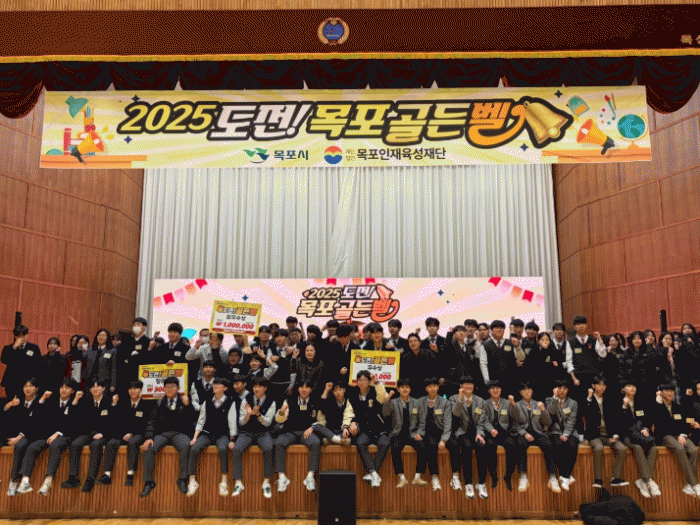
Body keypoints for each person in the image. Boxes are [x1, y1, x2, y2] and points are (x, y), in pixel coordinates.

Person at [140, 376, 194, 497]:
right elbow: (151, 422)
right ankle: (149, 482)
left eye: (172, 387)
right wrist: (148, 438)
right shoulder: (159, 402)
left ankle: (182, 479)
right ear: (163, 389)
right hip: (162, 434)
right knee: (149, 447)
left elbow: (192, 420)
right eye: (167, 387)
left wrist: (188, 406)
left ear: (178, 388)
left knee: (186, 445)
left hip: (179, 433)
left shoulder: (184, 401)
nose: (169, 389)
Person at [60, 379, 115, 493]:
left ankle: (90, 479)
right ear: (89, 390)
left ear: (103, 388)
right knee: (75, 444)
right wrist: (75, 400)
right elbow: (76, 418)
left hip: (104, 434)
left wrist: (102, 433)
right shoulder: (85, 402)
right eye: (93, 387)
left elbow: (113, 422)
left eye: (98, 386)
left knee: (95, 445)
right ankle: (73, 478)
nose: (95, 389)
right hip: (88, 433)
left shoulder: (109, 402)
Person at [187, 377, 237, 497]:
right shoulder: (207, 401)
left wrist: (232, 439)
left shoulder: (231, 402)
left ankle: (224, 482)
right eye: (214, 384)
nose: (215, 386)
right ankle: (192, 482)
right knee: (194, 449)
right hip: (207, 433)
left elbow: (232, 422)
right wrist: (195, 437)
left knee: (223, 449)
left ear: (225, 388)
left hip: (222, 434)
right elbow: (201, 421)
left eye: (218, 385)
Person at [100, 380, 152, 487]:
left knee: (133, 442)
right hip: (122, 434)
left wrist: (131, 433)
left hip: (138, 434)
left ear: (140, 390)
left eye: (135, 388)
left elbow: (145, 424)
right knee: (111, 443)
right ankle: (107, 474)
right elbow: (115, 421)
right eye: (130, 389)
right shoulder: (123, 403)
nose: (132, 391)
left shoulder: (147, 405)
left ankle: (130, 473)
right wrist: (114, 404)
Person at [652, 382, 700, 497]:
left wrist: (683, 434)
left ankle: (688, 484)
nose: (670, 393)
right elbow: (656, 420)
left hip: (679, 435)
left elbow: (685, 422)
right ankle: (694, 484)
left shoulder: (678, 406)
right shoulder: (656, 406)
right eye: (667, 391)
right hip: (665, 436)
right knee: (680, 449)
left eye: (672, 391)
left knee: (693, 450)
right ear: (661, 392)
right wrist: (658, 402)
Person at [274, 381, 323, 492]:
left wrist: (313, 427)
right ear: (298, 389)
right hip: (290, 431)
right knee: (278, 443)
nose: (304, 389)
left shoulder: (316, 401)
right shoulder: (289, 400)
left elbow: (321, 421)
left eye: (307, 387)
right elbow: (279, 420)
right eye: (301, 387)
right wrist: (281, 412)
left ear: (311, 390)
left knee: (316, 443)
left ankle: (310, 477)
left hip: (306, 432)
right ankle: (282, 477)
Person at [232, 377, 277, 498]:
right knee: (236, 449)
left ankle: (266, 482)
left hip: (263, 432)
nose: (256, 389)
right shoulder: (246, 400)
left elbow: (268, 423)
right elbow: (241, 422)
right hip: (247, 432)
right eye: (255, 386)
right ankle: (238, 483)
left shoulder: (271, 401)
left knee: (269, 448)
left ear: (265, 388)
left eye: (259, 386)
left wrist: (258, 415)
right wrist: (247, 415)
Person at [475, 379, 521, 493]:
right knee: (489, 446)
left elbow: (516, 417)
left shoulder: (507, 402)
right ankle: (494, 475)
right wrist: (491, 429)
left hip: (504, 432)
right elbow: (484, 420)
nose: (495, 390)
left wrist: (513, 404)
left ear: (501, 390)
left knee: (512, 445)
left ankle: (508, 476)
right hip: (490, 432)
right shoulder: (485, 403)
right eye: (493, 388)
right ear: (489, 391)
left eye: (497, 388)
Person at [515, 381, 560, 493]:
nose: (526, 392)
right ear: (520, 392)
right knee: (520, 443)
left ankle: (552, 478)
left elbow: (548, 422)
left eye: (528, 389)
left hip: (537, 432)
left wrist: (544, 410)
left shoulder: (538, 404)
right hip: (523, 433)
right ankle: (523, 477)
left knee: (548, 444)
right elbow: (514, 424)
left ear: (532, 391)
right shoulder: (516, 405)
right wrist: (524, 433)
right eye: (524, 389)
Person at [347, 370, 389, 487]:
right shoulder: (353, 395)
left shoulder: (375, 391)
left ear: (369, 382)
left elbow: (383, 398)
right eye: (360, 380)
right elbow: (349, 412)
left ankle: (371, 472)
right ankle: (374, 473)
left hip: (378, 428)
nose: (362, 382)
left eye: (365, 380)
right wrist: (351, 423)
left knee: (385, 443)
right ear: (357, 382)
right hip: (365, 429)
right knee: (360, 442)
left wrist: (377, 383)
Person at [584, 375, 627, 489]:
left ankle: (615, 478)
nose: (602, 387)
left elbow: (615, 418)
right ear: (593, 386)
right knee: (598, 448)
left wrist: (615, 435)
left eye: (603, 385)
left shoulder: (609, 399)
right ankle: (598, 479)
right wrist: (589, 398)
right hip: (594, 435)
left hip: (608, 434)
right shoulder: (588, 399)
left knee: (622, 448)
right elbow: (585, 414)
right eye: (599, 384)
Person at [619, 379, 660, 498]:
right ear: (623, 389)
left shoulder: (640, 402)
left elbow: (647, 418)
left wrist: (645, 428)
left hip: (640, 434)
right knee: (637, 447)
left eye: (634, 386)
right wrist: (624, 406)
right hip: (626, 435)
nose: (632, 388)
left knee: (654, 448)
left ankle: (644, 480)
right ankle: (649, 481)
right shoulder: (617, 402)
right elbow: (618, 421)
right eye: (629, 386)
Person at [4, 378, 44, 496]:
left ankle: (13, 482)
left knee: (20, 446)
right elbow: (5, 416)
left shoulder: (40, 403)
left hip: (32, 435)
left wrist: (18, 437)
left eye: (31, 386)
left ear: (36, 388)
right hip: (16, 433)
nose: (27, 388)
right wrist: (10, 405)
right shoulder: (18, 401)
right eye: (25, 386)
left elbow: (33, 425)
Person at [383, 378, 426, 488]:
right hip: (398, 433)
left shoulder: (417, 403)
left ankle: (417, 477)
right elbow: (385, 413)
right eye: (402, 387)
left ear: (410, 389)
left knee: (422, 446)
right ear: (398, 389)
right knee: (395, 448)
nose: (405, 389)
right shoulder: (393, 402)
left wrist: (419, 433)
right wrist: (387, 399)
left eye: (407, 387)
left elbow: (422, 422)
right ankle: (402, 478)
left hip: (413, 433)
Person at [568, 316, 607, 434]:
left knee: (593, 404)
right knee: (579, 405)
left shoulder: (593, 340)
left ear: (586, 325)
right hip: (578, 379)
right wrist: (574, 378)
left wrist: (599, 339)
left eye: (583, 324)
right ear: (574, 327)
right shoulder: (570, 342)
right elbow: (569, 362)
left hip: (592, 378)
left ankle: (594, 431)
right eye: (578, 324)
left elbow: (603, 354)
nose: (581, 326)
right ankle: (580, 432)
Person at [451, 376, 486, 499]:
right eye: (465, 384)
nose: (468, 386)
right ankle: (468, 484)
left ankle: (481, 483)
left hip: (476, 432)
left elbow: (482, 420)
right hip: (462, 432)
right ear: (461, 386)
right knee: (466, 449)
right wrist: (460, 399)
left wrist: (479, 433)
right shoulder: (453, 398)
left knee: (482, 447)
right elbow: (456, 413)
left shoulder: (480, 401)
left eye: (471, 384)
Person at [417, 377, 454, 491]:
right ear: (426, 388)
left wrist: (443, 439)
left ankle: (455, 476)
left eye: (434, 386)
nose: (432, 388)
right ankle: (434, 477)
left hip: (441, 431)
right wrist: (418, 433)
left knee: (455, 444)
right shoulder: (420, 402)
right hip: (427, 433)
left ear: (438, 387)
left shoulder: (445, 402)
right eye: (429, 386)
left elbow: (448, 423)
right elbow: (415, 421)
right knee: (431, 445)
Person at [545, 379, 579, 491]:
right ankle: (567, 476)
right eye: (560, 388)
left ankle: (565, 476)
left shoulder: (573, 403)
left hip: (570, 431)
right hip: (554, 431)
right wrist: (555, 398)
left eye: (565, 388)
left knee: (573, 444)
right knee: (557, 444)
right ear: (555, 389)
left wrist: (566, 434)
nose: (562, 391)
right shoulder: (549, 400)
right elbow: (550, 413)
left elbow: (571, 421)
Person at [1, 326, 41, 400]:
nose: (21, 338)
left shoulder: (34, 348)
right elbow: (4, 360)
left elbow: (38, 365)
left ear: (27, 335)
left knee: (25, 403)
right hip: (11, 381)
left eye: (23, 335)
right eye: (19, 336)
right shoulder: (8, 348)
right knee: (11, 402)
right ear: (15, 336)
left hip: (27, 382)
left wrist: (36, 382)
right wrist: (14, 347)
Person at [116, 317, 150, 394]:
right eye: (134, 325)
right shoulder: (127, 341)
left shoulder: (148, 342)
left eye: (138, 325)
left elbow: (146, 359)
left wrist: (131, 358)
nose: (136, 327)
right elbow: (122, 356)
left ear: (144, 327)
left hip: (140, 375)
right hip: (126, 375)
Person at [313, 381, 353, 447]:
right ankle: (338, 440)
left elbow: (349, 418)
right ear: (332, 392)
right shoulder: (330, 401)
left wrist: (346, 428)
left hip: (343, 431)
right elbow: (320, 406)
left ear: (344, 390)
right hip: (330, 430)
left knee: (353, 428)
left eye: (340, 390)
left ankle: (331, 440)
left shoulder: (349, 402)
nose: (338, 393)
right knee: (316, 426)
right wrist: (326, 390)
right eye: (335, 391)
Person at [91, 329, 117, 393]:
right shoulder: (91, 350)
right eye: (99, 335)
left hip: (105, 382)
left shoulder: (112, 351)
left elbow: (114, 368)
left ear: (107, 338)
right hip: (91, 381)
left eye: (103, 336)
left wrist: (113, 384)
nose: (101, 337)